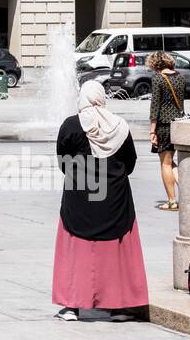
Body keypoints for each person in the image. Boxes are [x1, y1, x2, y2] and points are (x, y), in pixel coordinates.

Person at [53, 80, 148, 321]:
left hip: (79, 195)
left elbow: (63, 160)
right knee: (115, 249)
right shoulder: (119, 126)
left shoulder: (72, 125)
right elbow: (130, 161)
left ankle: (72, 306)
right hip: (115, 196)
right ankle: (119, 307)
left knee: (78, 248)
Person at [147, 51, 184, 211]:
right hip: (178, 123)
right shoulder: (180, 77)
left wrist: (152, 131)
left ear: (155, 64)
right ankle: (189, 192)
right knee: (171, 161)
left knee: (165, 163)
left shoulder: (158, 79)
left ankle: (172, 201)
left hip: (163, 125)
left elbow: (155, 106)